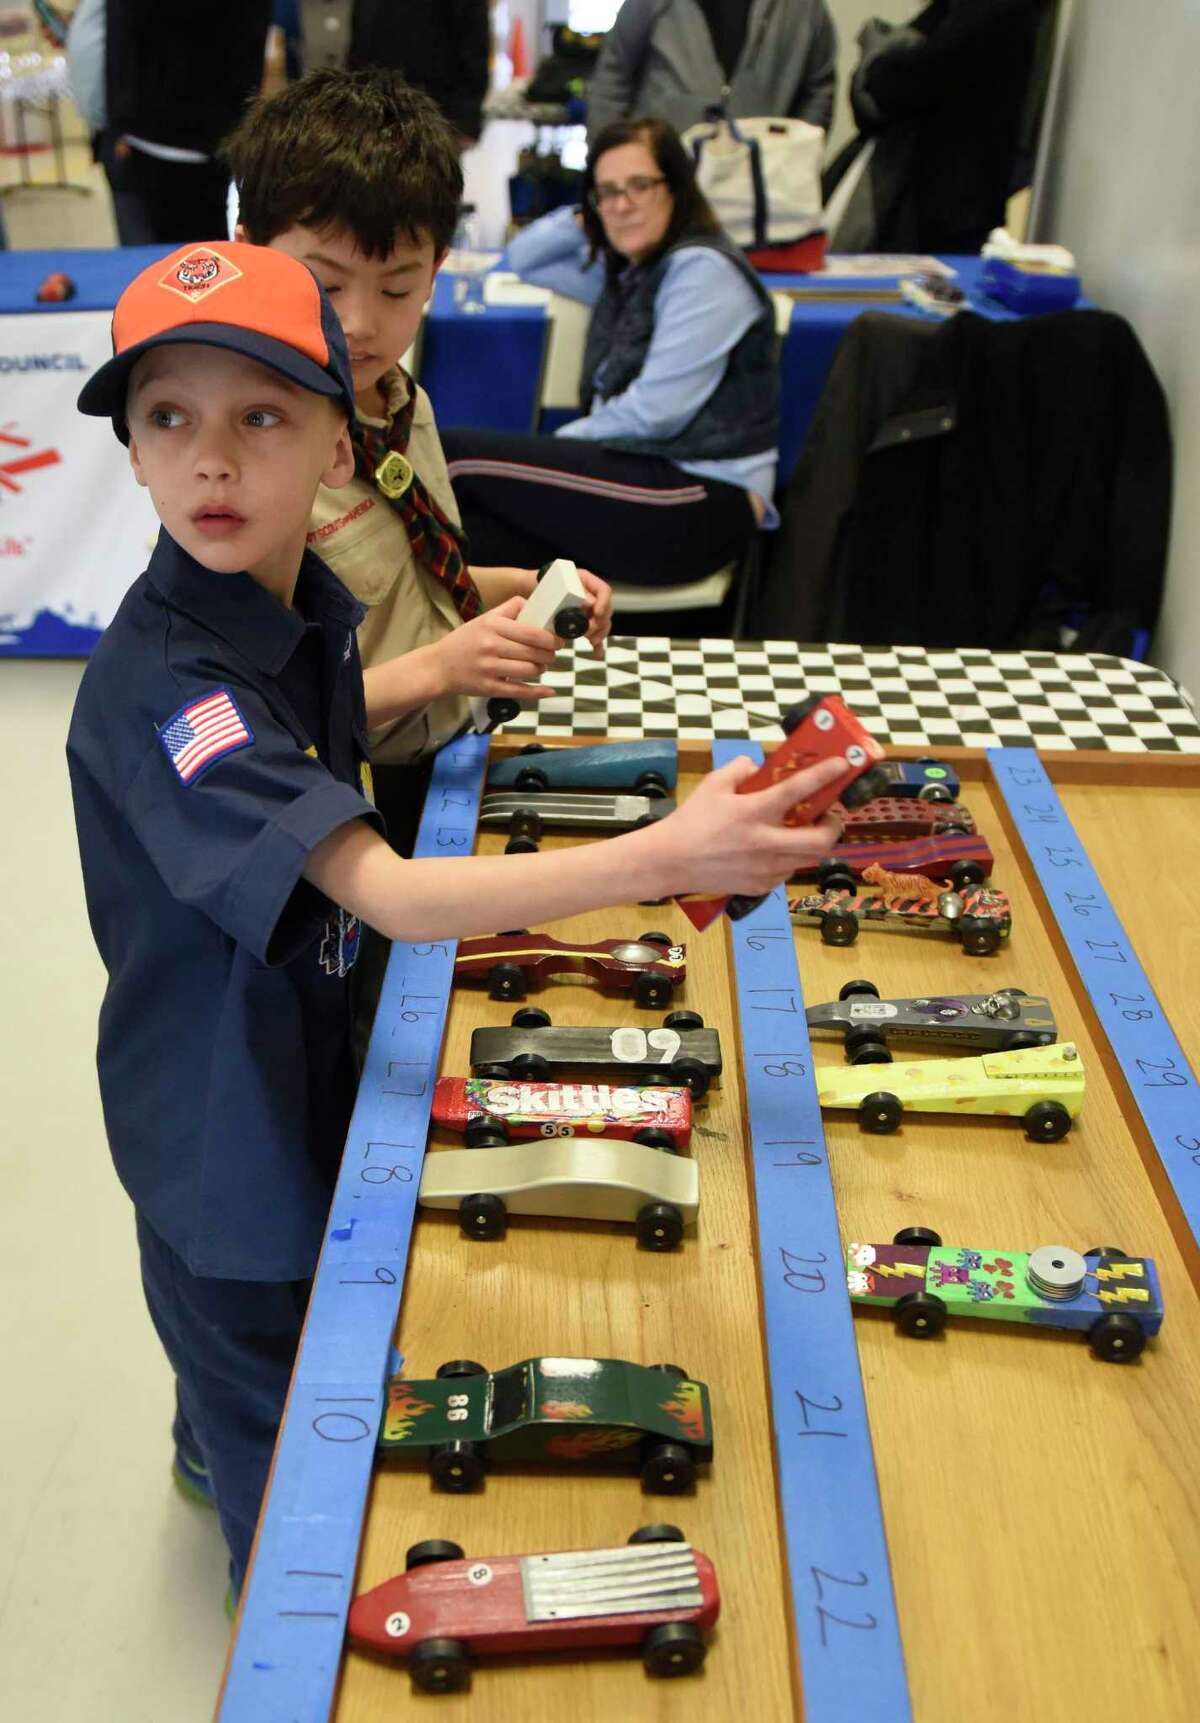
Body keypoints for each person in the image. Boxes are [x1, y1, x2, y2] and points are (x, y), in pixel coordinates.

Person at [66, 239, 847, 1599]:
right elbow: (394, 890)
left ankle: (206, 1414)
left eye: (261, 417)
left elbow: (322, 720)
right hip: (226, 1143)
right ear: (129, 449)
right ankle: (260, 1559)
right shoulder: (170, 687)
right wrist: (669, 851)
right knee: (292, 1467)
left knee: (251, 1356)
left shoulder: (292, 601)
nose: (210, 460)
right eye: (169, 417)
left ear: (333, 449)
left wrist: (489, 601)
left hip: (292, 1049)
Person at [222, 71, 612, 796]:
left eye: (398, 287)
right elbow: (256, 718)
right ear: (249, 253)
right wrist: (441, 667)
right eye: (326, 285)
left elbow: (405, 591)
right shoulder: (239, 463)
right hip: (351, 791)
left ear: (436, 270)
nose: (363, 324)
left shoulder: (400, 403)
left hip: (449, 751)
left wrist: (525, 591)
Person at [441, 116, 780, 591]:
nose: (622, 205)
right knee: (479, 538)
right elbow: (524, 259)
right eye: (607, 191)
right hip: (649, 478)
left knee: (452, 458)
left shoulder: (703, 271)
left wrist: (559, 444)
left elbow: (655, 414)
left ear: (677, 189)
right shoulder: (630, 272)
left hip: (703, 498)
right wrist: (588, 213)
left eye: (639, 186)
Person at [825, 0, 1040, 255]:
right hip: (936, 198)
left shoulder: (994, 9)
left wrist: (873, 69)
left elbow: (913, 77)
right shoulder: (960, 10)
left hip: (948, 205)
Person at [99, 0, 272, 245]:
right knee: (195, 261)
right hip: (173, 137)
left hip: (177, 136)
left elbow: (121, 40)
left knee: (185, 262)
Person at [585, 0, 838, 145]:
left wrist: (797, 153)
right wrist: (608, 161)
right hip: (663, 179)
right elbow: (612, 77)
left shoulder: (803, 7)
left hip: (762, 187)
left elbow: (819, 87)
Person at [348, 0, 490, 150]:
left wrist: (466, 119)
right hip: (373, 106)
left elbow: (474, 42)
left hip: (435, 110)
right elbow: (360, 34)